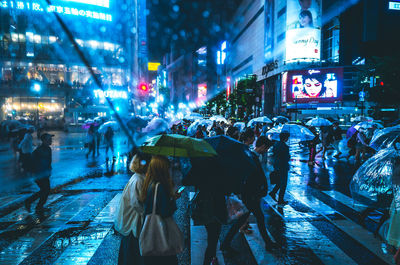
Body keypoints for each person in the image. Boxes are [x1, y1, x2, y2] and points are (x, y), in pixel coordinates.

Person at [221, 136, 276, 252]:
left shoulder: (253, 156)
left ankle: (226, 243)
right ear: (263, 146)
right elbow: (251, 178)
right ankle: (268, 243)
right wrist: (256, 192)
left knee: (243, 220)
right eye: (266, 148)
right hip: (251, 195)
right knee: (258, 218)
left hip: (251, 195)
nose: (266, 151)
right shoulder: (251, 157)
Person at [139, 156, 180, 265]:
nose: (169, 170)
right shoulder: (160, 187)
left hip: (151, 234)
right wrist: (172, 200)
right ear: (162, 169)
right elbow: (165, 211)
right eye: (167, 167)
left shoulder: (149, 184)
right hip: (160, 235)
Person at [115, 152, 151, 265]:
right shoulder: (138, 180)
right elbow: (136, 203)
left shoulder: (138, 177)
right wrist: (147, 215)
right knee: (132, 254)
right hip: (133, 224)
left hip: (131, 223)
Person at [24, 133, 54, 213]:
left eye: (51, 139)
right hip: (39, 174)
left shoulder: (48, 149)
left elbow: (48, 162)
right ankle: (31, 203)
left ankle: (37, 206)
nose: (51, 141)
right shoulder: (38, 151)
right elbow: (31, 162)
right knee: (45, 190)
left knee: (45, 190)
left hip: (45, 173)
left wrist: (49, 170)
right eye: (49, 139)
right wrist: (33, 172)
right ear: (44, 140)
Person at [269, 132, 290, 205]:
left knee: (279, 181)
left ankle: (273, 192)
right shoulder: (285, 147)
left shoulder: (276, 144)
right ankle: (280, 199)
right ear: (286, 138)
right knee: (283, 183)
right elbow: (287, 158)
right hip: (283, 166)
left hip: (276, 165)